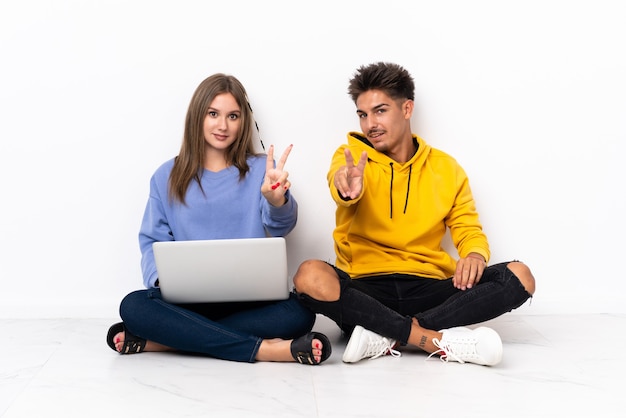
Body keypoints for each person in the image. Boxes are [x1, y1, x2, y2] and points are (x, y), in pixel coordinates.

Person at [293, 62, 535, 366]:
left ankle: (385, 334)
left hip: (429, 287)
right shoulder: (352, 158)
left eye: (380, 111)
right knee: (309, 274)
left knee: (519, 276)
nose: (370, 124)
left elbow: (466, 226)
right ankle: (430, 338)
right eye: (363, 114)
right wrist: (347, 189)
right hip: (366, 289)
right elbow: (340, 183)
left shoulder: (446, 168)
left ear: (407, 109)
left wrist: (474, 255)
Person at [106, 73, 331, 365]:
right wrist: (163, 278)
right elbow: (152, 241)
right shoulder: (166, 176)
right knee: (133, 306)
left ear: (243, 122)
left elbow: (281, 227)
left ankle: (167, 341)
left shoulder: (262, 170)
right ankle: (265, 350)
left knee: (299, 313)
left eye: (233, 116)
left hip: (250, 302)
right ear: (197, 116)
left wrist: (277, 201)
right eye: (213, 114)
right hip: (186, 303)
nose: (222, 125)